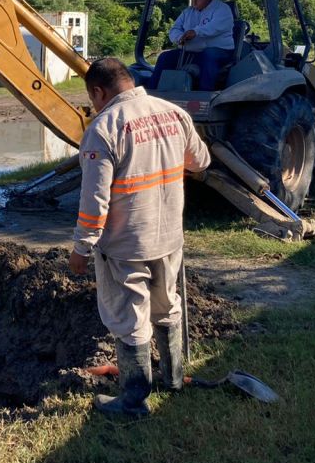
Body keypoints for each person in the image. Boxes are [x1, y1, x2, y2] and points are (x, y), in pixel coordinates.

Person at [69, 57, 211, 417]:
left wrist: (82, 248)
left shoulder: (103, 129)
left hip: (126, 243)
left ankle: (133, 401)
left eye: (92, 98)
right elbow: (201, 161)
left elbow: (94, 201)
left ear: (98, 92)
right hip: (168, 238)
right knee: (167, 305)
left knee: (130, 317)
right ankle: (174, 378)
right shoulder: (172, 113)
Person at [149, 0, 234, 91]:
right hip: (190, 52)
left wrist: (195, 32)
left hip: (220, 51)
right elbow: (175, 29)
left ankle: (205, 95)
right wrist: (179, 37)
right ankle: (152, 93)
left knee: (209, 55)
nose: (194, 1)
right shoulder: (187, 12)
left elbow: (214, 28)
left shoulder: (222, 9)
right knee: (165, 57)